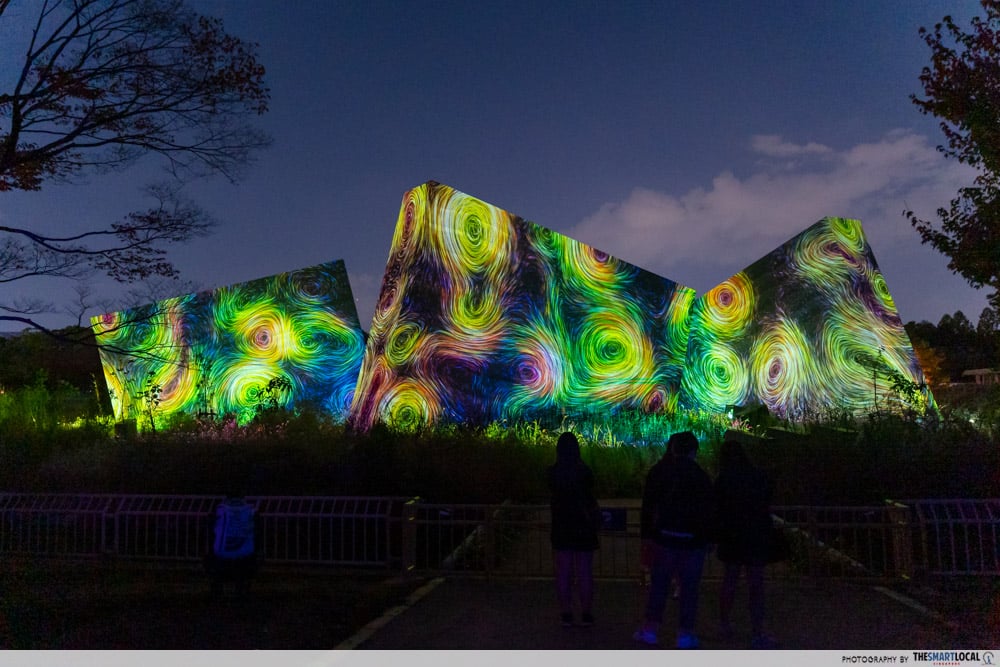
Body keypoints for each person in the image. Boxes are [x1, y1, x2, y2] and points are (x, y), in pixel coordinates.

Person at [634, 431, 716, 649]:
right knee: (689, 589)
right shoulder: (701, 476)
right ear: (693, 451)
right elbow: (709, 511)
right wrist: (709, 538)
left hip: (664, 538)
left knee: (659, 586)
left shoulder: (659, 472)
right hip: (692, 542)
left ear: (672, 448)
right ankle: (685, 634)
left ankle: (651, 630)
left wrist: (647, 536)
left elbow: (648, 507)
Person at [714, 431, 779, 649]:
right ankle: (758, 632)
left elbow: (717, 507)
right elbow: (767, 499)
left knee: (730, 581)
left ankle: (724, 624)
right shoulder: (758, 476)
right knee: (756, 585)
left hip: (732, 537)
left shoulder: (723, 479)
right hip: (755, 536)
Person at [547, 431, 600, 628]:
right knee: (585, 571)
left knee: (563, 572)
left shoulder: (552, 473)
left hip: (561, 526)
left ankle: (566, 614)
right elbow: (590, 494)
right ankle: (586, 613)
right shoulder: (585, 472)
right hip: (583, 526)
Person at [204, 494, 259, 596]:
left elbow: (211, 531)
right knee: (253, 556)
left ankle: (217, 587)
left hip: (221, 556)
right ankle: (242, 586)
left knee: (209, 557)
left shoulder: (219, 510)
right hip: (245, 557)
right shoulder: (250, 511)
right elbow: (257, 532)